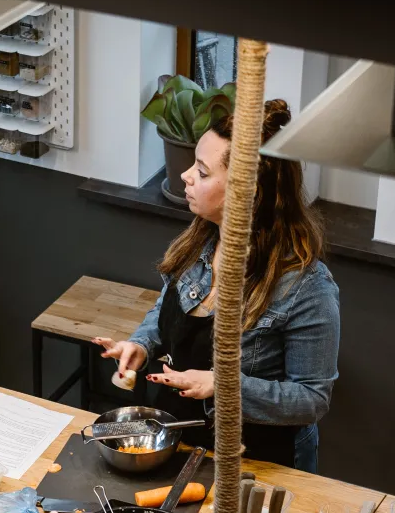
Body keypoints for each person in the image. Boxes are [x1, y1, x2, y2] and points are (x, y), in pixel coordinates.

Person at [95, 100, 339, 470]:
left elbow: (312, 399)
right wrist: (140, 345)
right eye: (194, 164)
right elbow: (165, 310)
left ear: (248, 192)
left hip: (253, 462)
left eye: (203, 172)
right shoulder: (201, 242)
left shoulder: (307, 287)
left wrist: (223, 385)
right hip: (177, 441)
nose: (186, 176)